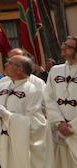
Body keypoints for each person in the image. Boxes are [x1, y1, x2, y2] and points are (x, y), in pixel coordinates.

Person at [0, 54, 46, 168]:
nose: (5, 64)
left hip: (18, 148)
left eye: (10, 63)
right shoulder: (0, 87)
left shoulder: (33, 91)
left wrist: (8, 116)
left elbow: (37, 124)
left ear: (20, 69)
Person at [44, 35, 77, 167]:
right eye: (64, 44)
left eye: (68, 46)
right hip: (59, 130)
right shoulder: (55, 70)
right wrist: (59, 122)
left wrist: (72, 126)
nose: (62, 47)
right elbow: (49, 98)